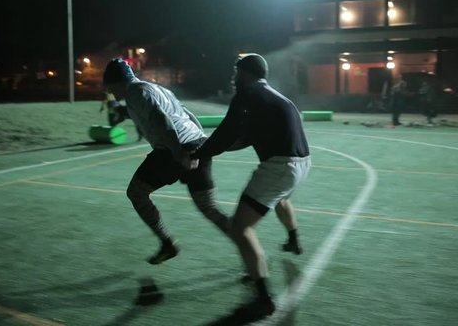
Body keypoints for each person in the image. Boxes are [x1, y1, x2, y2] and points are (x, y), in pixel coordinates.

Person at [191, 54, 311, 319]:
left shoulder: (247, 95)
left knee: (240, 227)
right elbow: (245, 137)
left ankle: (263, 298)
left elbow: (226, 133)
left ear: (245, 73)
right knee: (279, 198)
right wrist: (215, 148)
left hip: (280, 166)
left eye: (236, 72)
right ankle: (293, 239)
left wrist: (198, 152)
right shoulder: (270, 95)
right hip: (302, 164)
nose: (234, 78)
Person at [101, 58, 230, 265]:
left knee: (136, 193)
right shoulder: (158, 89)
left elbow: (163, 120)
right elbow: (187, 114)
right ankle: (248, 246)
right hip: (197, 142)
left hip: (173, 150)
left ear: (117, 82)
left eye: (110, 88)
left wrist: (179, 153)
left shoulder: (135, 93)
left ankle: (167, 243)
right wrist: (202, 142)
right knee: (209, 207)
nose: (111, 93)